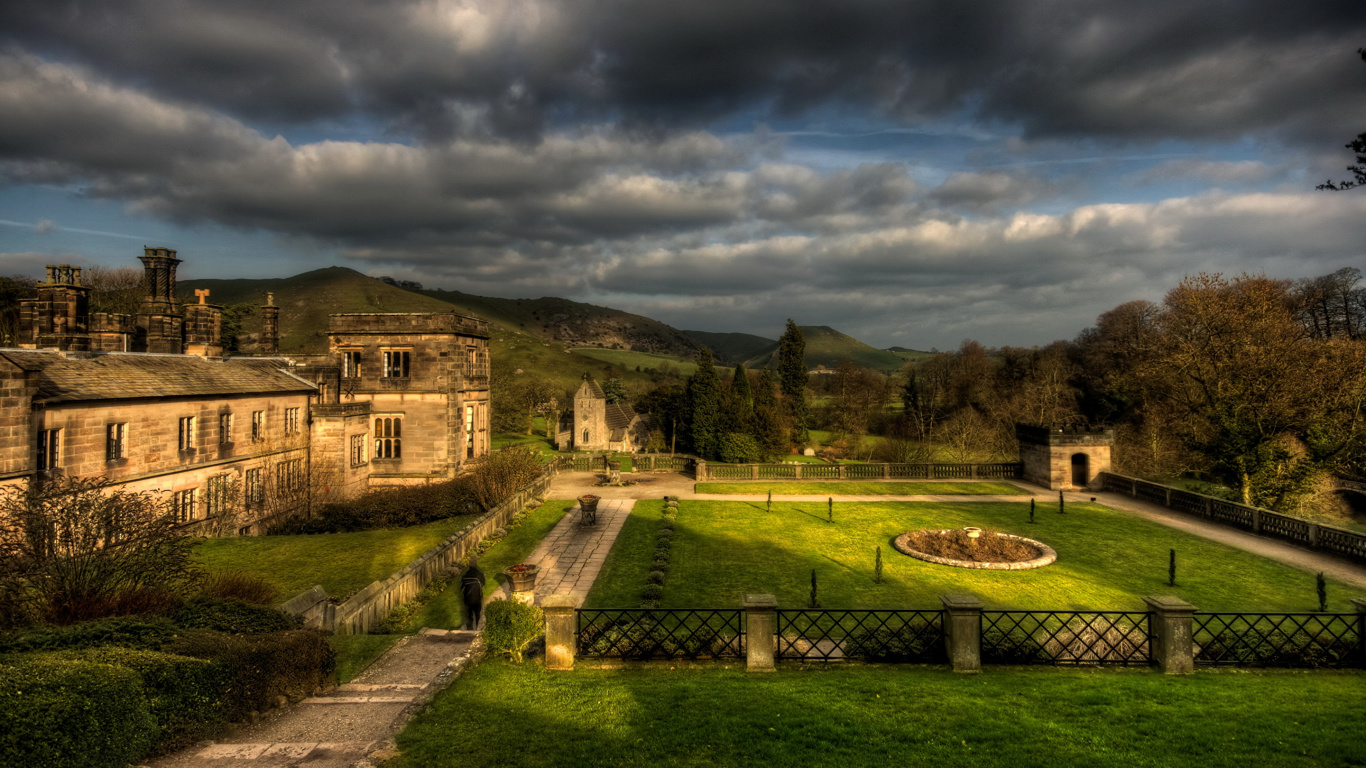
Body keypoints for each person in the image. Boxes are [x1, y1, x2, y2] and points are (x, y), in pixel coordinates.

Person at [461, 558, 486, 630]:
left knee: (469, 615)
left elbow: (461, 588)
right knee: (478, 614)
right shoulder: (479, 574)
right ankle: (478, 627)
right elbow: (483, 584)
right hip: (477, 598)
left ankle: (470, 629)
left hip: (468, 599)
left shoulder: (465, 575)